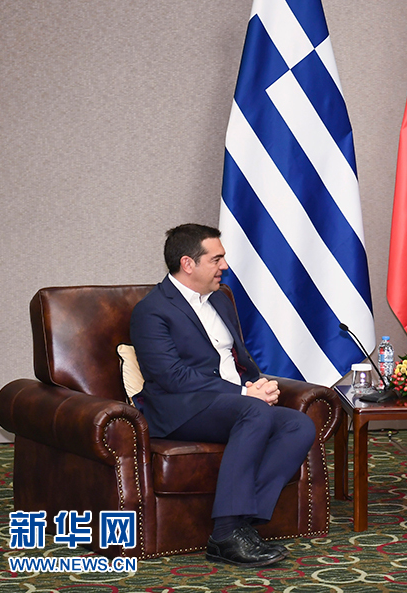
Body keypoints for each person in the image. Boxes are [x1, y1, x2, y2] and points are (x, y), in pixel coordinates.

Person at [130, 224, 316, 568]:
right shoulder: (152, 311)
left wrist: (258, 384)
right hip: (180, 409)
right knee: (254, 412)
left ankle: (242, 523)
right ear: (188, 263)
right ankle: (225, 534)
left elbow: (238, 358)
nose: (224, 266)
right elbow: (171, 377)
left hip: (232, 403)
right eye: (216, 259)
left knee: (298, 425)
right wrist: (246, 393)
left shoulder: (219, 299)